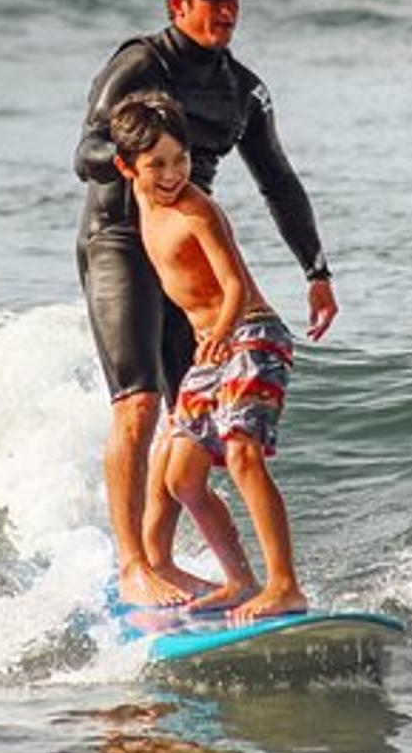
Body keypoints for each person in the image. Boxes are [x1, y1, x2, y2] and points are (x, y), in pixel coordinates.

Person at [74, 0, 337, 606]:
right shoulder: (140, 61)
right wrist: (146, 161)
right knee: (136, 401)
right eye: (213, 0)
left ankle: (173, 559)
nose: (226, 12)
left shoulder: (242, 89)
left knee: (186, 419)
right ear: (178, 4)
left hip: (187, 252)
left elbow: (277, 178)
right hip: (120, 238)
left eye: (233, 0)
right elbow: (87, 151)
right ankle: (133, 562)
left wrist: (316, 267)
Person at [108, 90, 305, 620]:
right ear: (127, 167)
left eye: (182, 160)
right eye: (158, 165)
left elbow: (235, 286)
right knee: (181, 478)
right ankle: (240, 580)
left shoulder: (196, 211)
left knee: (242, 453)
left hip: (251, 335)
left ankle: (284, 583)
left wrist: (219, 332)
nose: (173, 175)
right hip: (210, 351)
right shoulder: (143, 206)